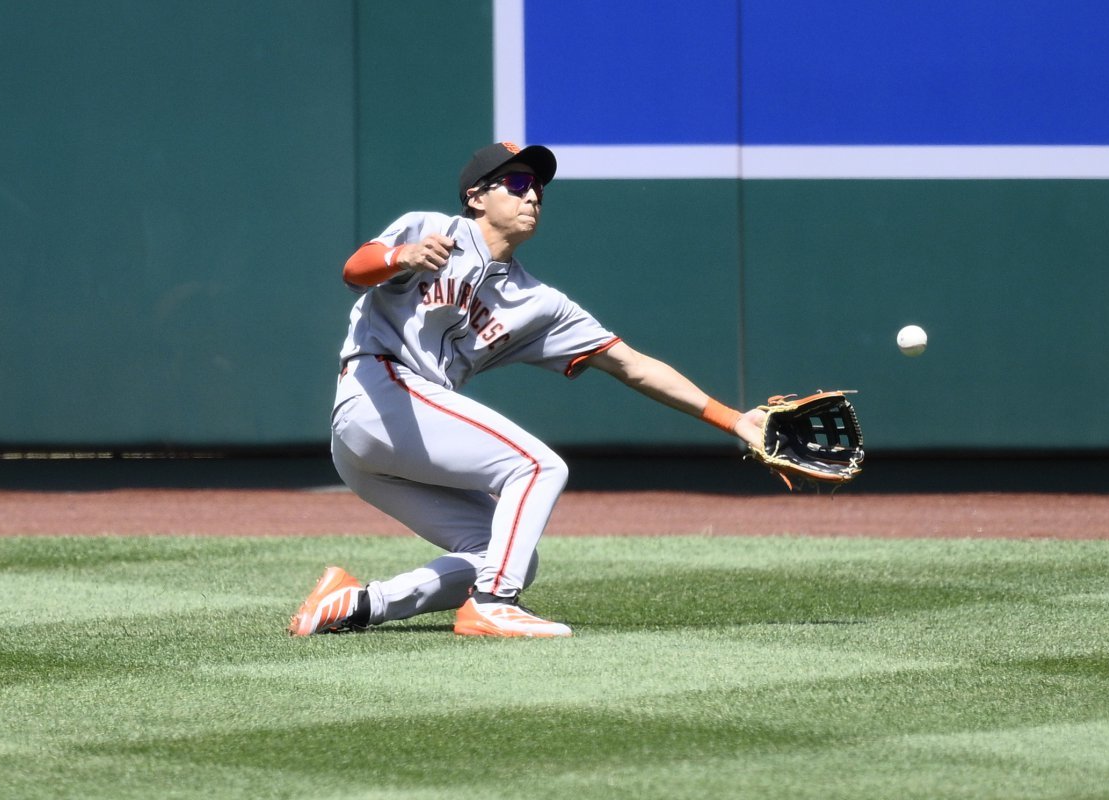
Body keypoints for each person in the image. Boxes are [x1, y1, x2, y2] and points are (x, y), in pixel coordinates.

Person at [288, 142, 767, 639]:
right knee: (539, 466)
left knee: (503, 553)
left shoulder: (538, 303)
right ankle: (494, 605)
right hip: (376, 391)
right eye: (517, 183)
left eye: (537, 187)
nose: (532, 195)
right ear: (476, 197)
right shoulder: (432, 230)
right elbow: (355, 269)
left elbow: (633, 365)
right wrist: (400, 256)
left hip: (396, 436)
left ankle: (357, 603)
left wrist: (733, 420)